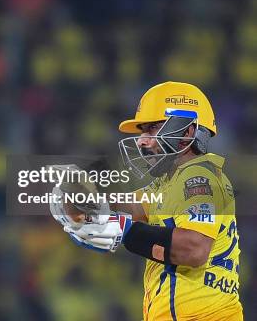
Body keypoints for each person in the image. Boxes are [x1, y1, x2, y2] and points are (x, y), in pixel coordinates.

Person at [51, 81, 243, 321]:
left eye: (152, 128)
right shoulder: (171, 181)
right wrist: (81, 201)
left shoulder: (198, 176)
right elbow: (129, 207)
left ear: (187, 132)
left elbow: (194, 249)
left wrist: (125, 232)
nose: (142, 140)